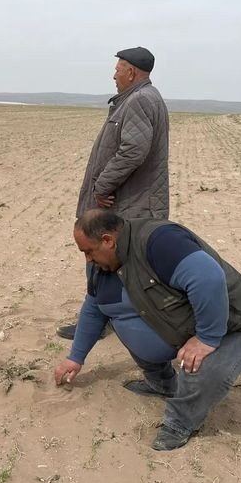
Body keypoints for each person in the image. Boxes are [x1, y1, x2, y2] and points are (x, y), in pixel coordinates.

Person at [53, 209, 241, 450]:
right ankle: (161, 384)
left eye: (88, 251)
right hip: (183, 327)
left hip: (237, 327)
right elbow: (94, 308)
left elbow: (209, 278)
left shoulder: (159, 241)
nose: (87, 260)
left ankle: (180, 422)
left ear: (108, 240)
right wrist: (75, 358)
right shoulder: (102, 265)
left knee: (200, 366)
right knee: (125, 320)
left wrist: (206, 338)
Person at [57, 46, 169, 339]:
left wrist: (103, 186)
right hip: (133, 200)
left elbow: (133, 150)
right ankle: (106, 319)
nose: (114, 75)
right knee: (114, 264)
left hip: (129, 202)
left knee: (103, 259)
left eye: (118, 69)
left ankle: (99, 323)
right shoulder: (141, 98)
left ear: (131, 72)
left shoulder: (140, 100)